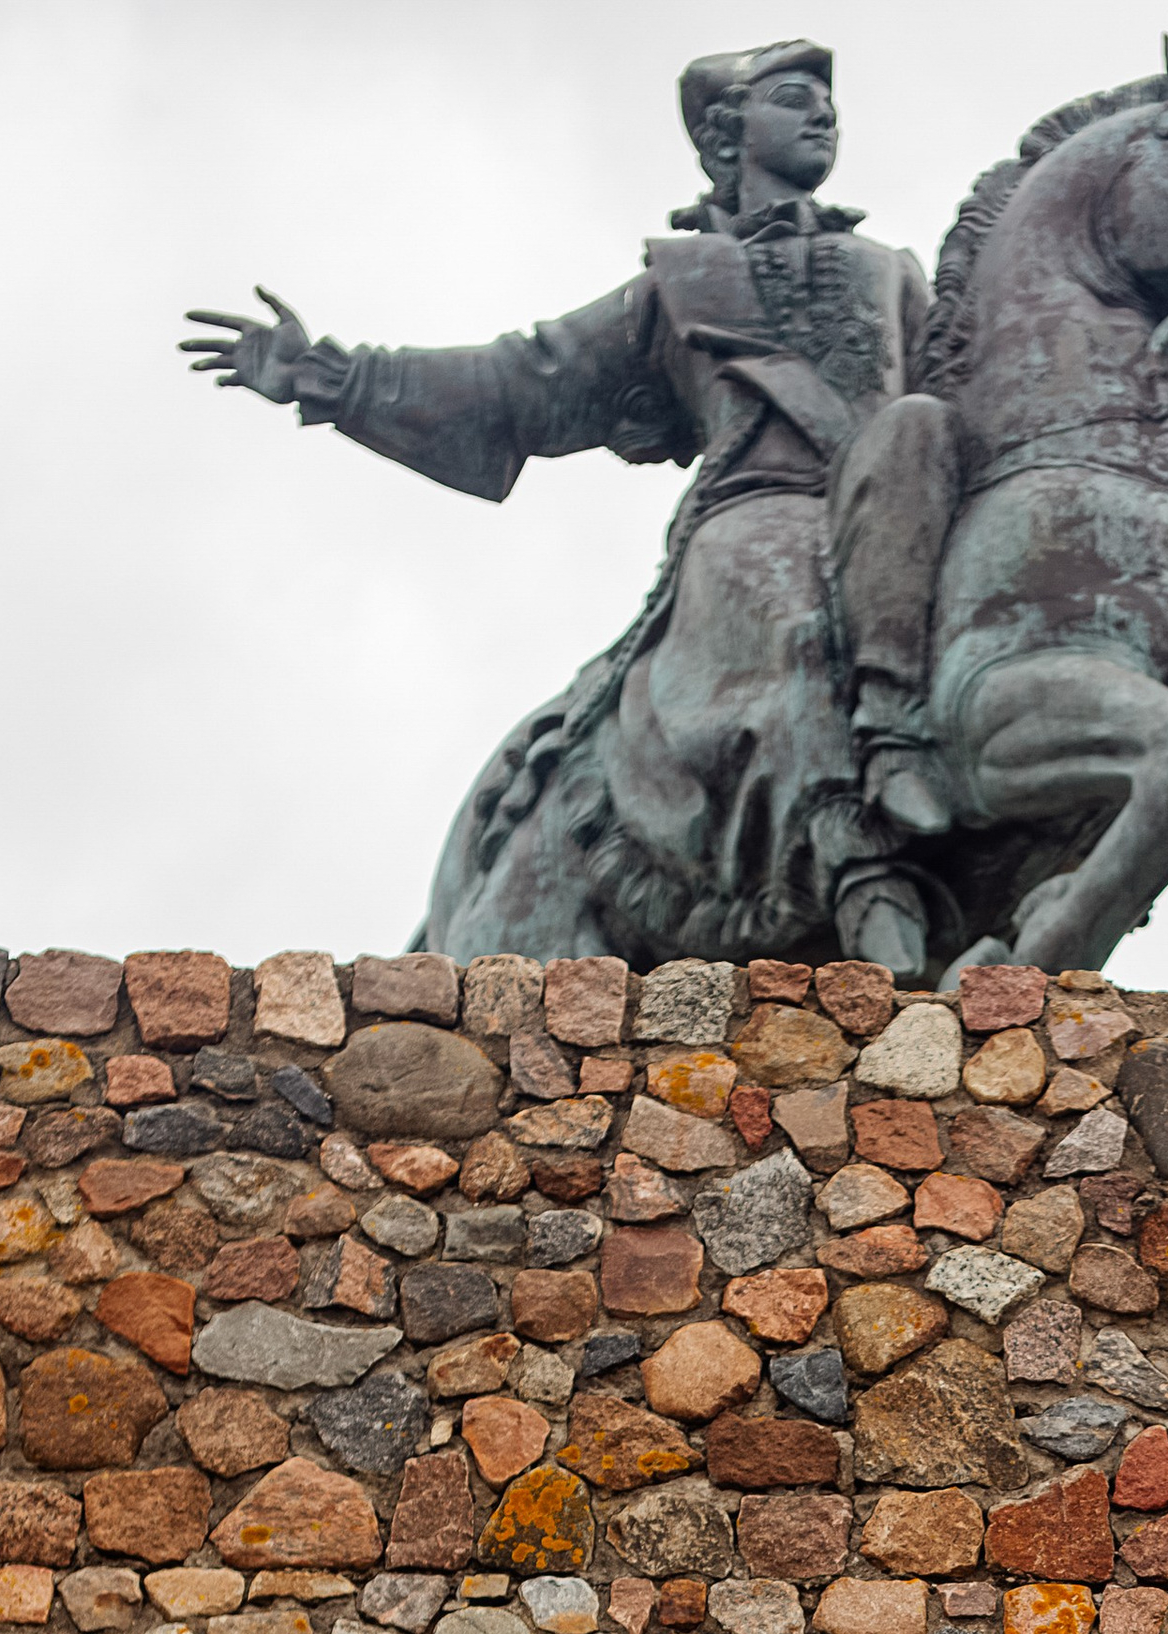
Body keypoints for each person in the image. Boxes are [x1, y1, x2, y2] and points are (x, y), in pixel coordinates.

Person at [182, 41, 961, 963]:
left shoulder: (894, 271)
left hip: (895, 508)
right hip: (754, 513)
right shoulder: (680, 284)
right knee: (789, 605)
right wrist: (332, 377)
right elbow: (520, 381)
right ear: (726, 135)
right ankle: (861, 859)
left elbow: (966, 400)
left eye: (828, 103)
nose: (823, 116)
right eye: (793, 98)